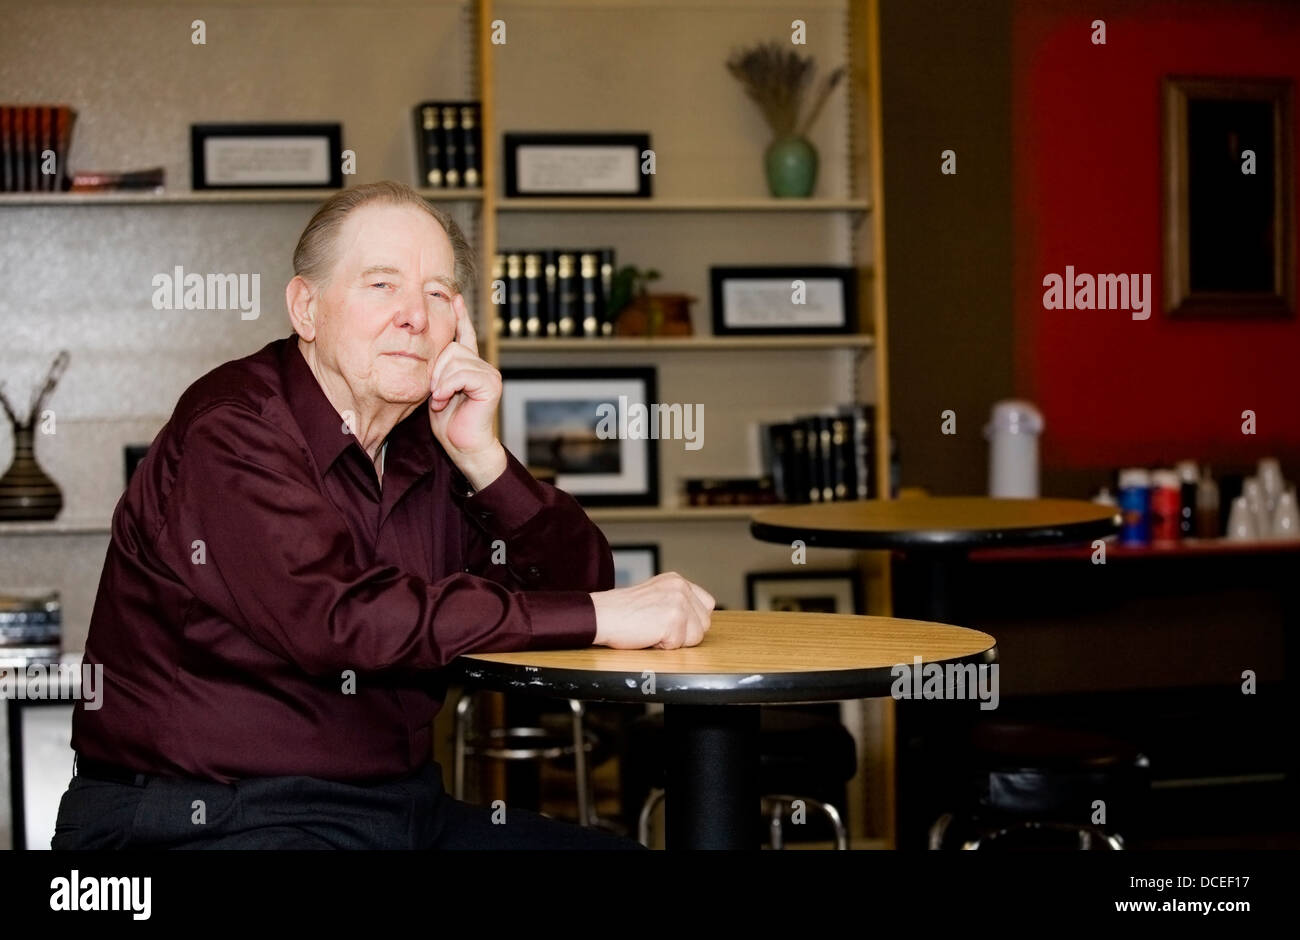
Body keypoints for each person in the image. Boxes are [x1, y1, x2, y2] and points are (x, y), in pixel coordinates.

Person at [51, 180, 714, 849]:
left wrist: (485, 458)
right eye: (381, 286)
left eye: (437, 293)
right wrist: (605, 616)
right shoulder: (232, 431)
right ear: (306, 308)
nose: (415, 317)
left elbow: (577, 583)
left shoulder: (433, 443)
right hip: (207, 818)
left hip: (399, 811)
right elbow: (340, 618)